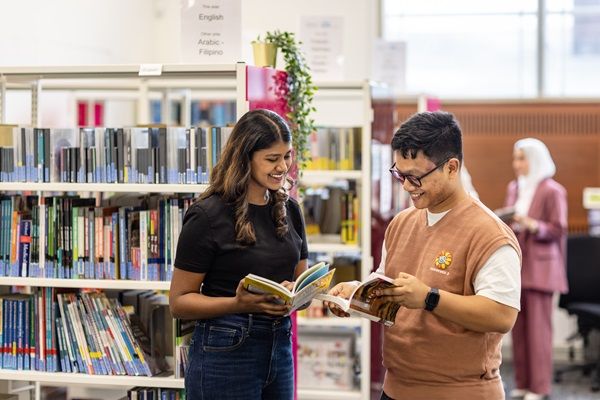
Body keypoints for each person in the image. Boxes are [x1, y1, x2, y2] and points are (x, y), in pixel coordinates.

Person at [327, 111, 522, 400]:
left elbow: (502, 315)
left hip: (461, 392)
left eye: (415, 177)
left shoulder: (490, 234)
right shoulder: (401, 223)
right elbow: (390, 291)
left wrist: (430, 298)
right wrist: (356, 296)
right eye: (399, 174)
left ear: (452, 168)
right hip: (396, 387)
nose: (405, 186)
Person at [169, 109, 308, 400]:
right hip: (226, 349)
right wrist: (237, 303)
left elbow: (299, 280)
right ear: (245, 157)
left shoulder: (290, 210)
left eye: (287, 156)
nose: (283, 167)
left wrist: (297, 294)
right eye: (272, 159)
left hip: (279, 344)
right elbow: (179, 302)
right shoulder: (207, 216)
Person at [504, 138, 568, 400]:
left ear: (535, 159)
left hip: (541, 269)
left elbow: (558, 228)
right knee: (517, 329)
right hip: (517, 266)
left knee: (539, 333)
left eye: (522, 158)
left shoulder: (553, 190)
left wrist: (532, 225)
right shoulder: (513, 187)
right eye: (515, 158)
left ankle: (539, 387)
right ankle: (522, 381)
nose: (516, 164)